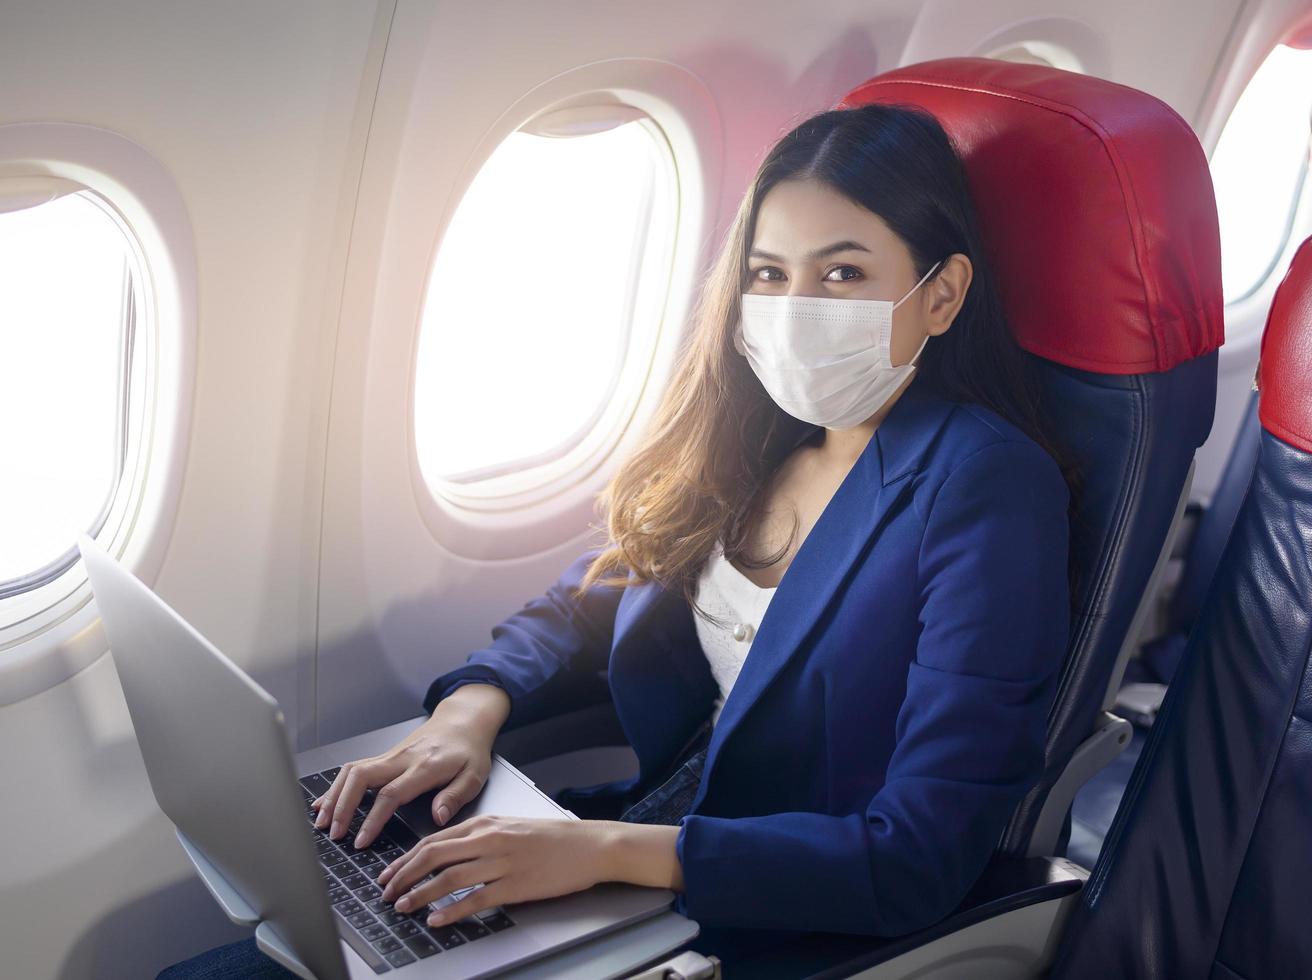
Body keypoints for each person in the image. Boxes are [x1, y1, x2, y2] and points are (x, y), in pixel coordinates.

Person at [158, 101, 1072, 978]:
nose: (796, 307)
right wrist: (467, 712)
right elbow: (590, 598)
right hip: (640, 846)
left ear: (941, 293)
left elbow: (915, 857)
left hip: (767, 908)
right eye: (767, 273)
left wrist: (594, 851)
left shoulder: (986, 488)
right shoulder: (756, 434)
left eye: (841, 274)